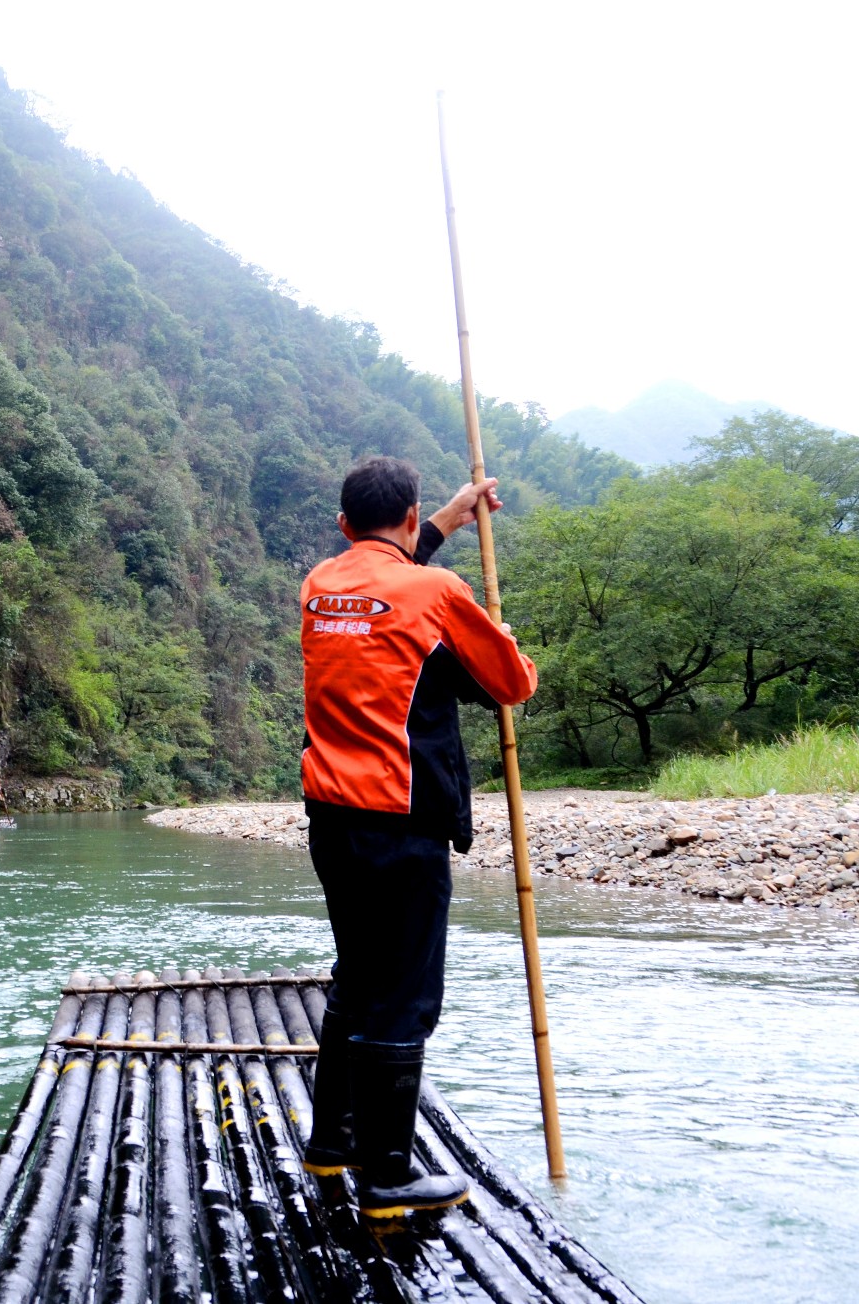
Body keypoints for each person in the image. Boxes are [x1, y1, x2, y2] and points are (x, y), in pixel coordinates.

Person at [297, 456, 537, 1218]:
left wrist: (450, 518)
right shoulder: (437, 592)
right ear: (408, 517)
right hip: (401, 826)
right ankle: (389, 1177)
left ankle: (332, 1141)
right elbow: (512, 683)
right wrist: (499, 633)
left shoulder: (318, 587)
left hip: (332, 822)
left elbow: (386, 576)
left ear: (343, 527)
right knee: (401, 994)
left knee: (357, 979)